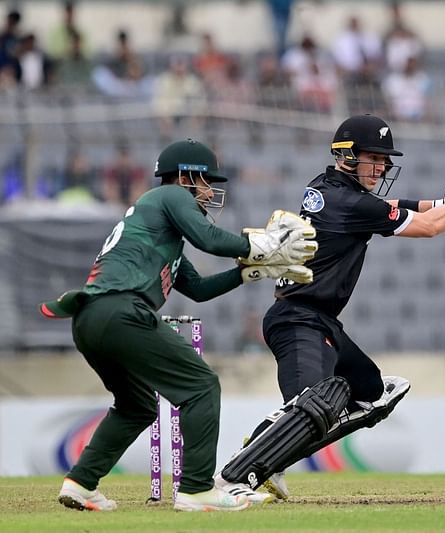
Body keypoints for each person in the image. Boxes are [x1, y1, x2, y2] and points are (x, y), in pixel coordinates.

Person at [213, 114, 445, 502]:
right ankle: (235, 477)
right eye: (374, 158)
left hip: (321, 322)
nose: (381, 167)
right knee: (310, 404)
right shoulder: (346, 201)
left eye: (384, 160)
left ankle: (273, 457)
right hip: (298, 321)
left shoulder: (328, 188)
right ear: (347, 155)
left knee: (373, 393)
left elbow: (389, 206)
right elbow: (426, 226)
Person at [40, 138, 318, 512]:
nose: (208, 193)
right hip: (122, 310)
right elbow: (209, 239)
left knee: (136, 406)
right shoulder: (170, 196)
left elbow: (199, 290)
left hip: (90, 318)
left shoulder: (159, 226)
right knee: (202, 387)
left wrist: (250, 272)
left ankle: (81, 483)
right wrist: (261, 245)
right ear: (187, 176)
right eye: (205, 183)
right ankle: (197, 489)